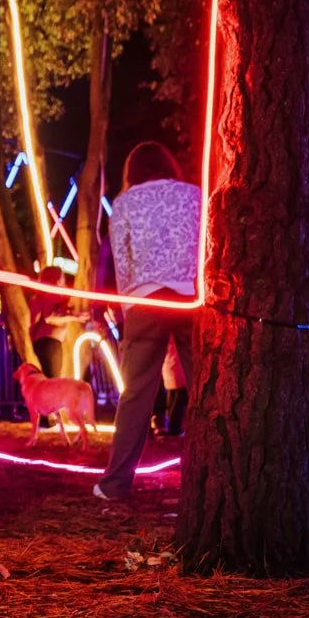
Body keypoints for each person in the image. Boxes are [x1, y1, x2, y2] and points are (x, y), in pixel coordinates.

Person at [95, 142, 200, 500]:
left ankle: (116, 483)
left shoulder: (124, 203)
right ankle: (211, 475)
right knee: (205, 388)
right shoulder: (194, 195)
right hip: (190, 297)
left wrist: (129, 310)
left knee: (136, 394)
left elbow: (122, 262)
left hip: (144, 298)